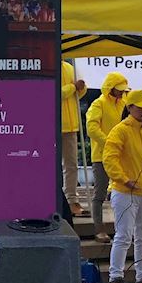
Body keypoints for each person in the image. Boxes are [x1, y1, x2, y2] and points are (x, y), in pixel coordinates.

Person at [103, 90, 142, 283]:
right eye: (141, 107)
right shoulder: (120, 130)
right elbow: (109, 158)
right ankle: (115, 277)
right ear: (130, 107)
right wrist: (123, 179)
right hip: (125, 191)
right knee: (124, 235)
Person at [85, 72, 129, 236]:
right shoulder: (98, 104)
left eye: (123, 89)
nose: (121, 92)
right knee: (100, 194)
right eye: (119, 89)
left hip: (121, 154)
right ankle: (99, 229)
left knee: (124, 192)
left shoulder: (124, 104)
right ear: (110, 88)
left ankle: (123, 229)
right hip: (101, 155)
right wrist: (109, 142)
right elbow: (92, 128)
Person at [60, 60, 86, 216]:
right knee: (51, 166)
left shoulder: (70, 67)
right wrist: (73, 87)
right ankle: (53, 199)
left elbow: (78, 94)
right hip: (52, 123)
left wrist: (81, 88)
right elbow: (54, 93)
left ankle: (71, 200)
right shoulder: (48, 66)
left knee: (71, 165)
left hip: (71, 126)